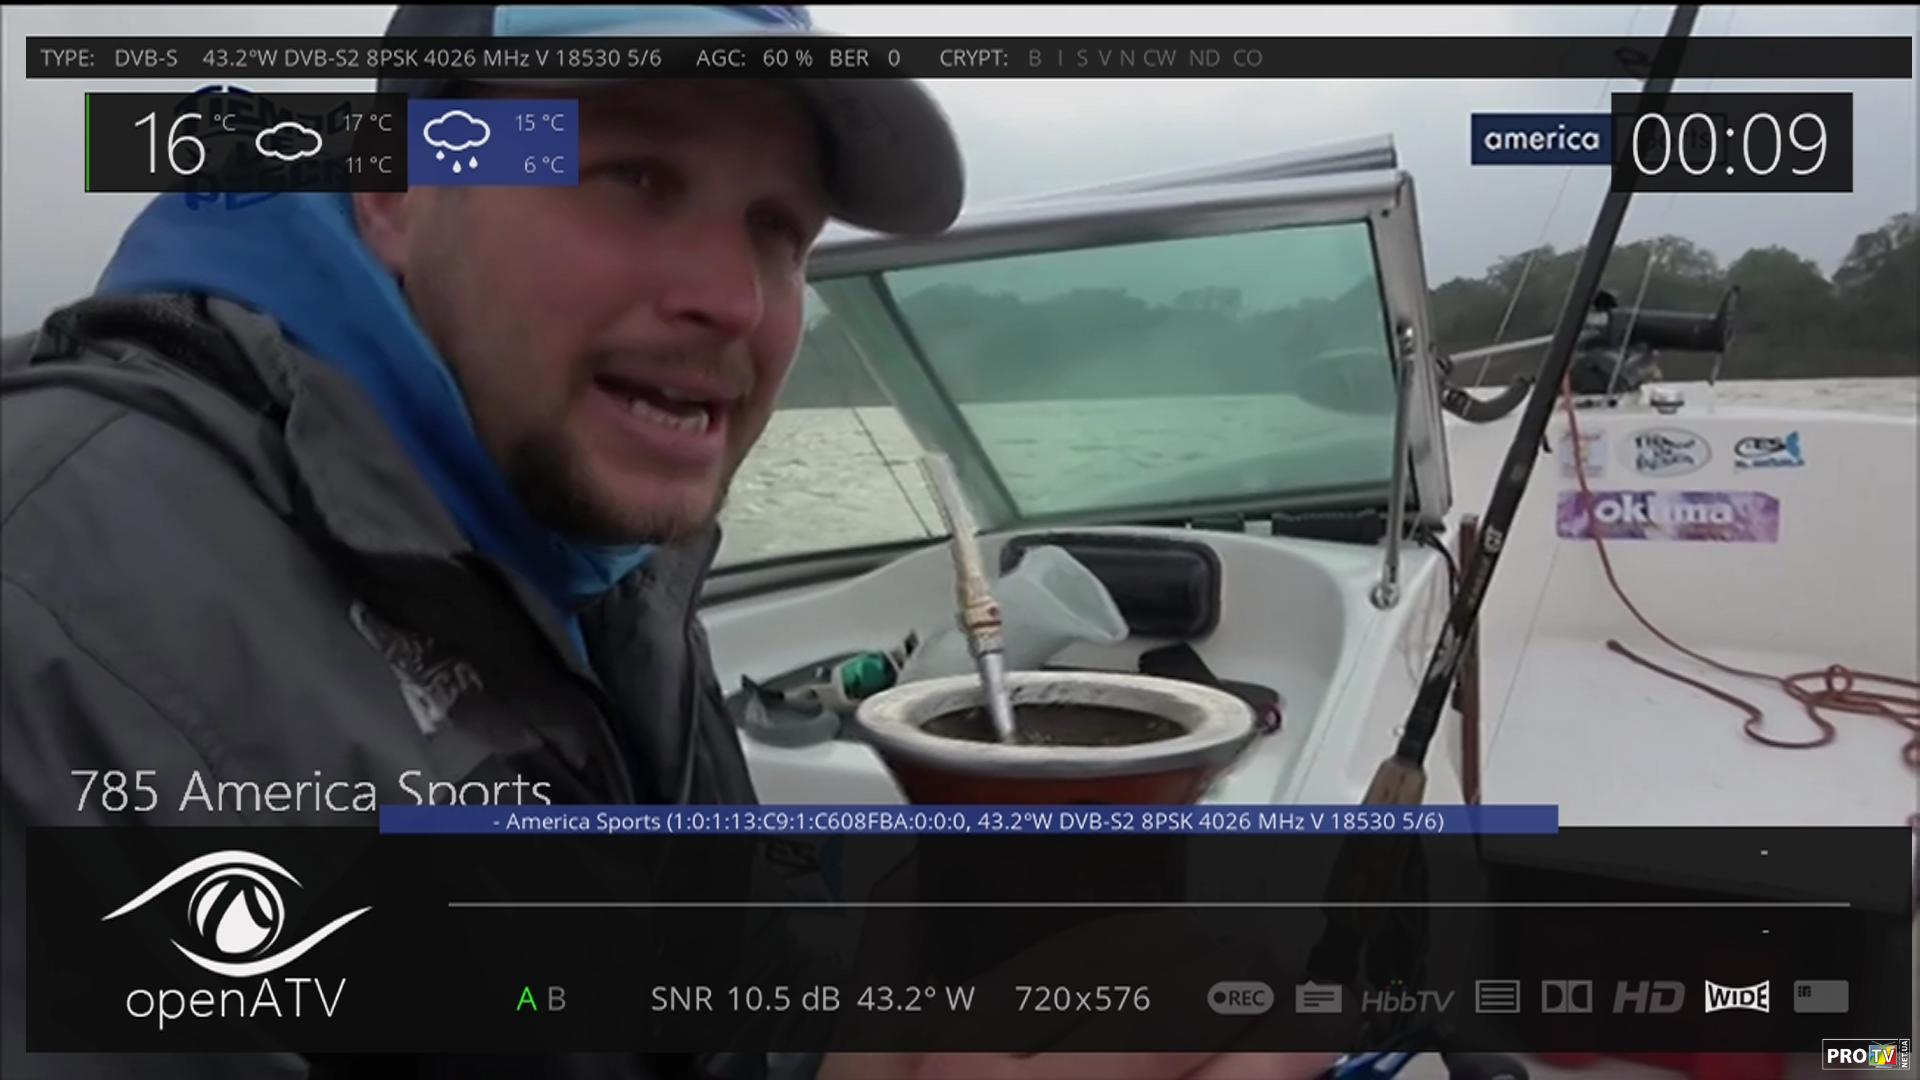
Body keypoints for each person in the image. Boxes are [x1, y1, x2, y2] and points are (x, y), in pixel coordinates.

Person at [0, 5, 1329, 1078]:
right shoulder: (53, 620)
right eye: (634, 176)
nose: (732, 300)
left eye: (776, 228)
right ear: (396, 188)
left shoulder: (597, 566)